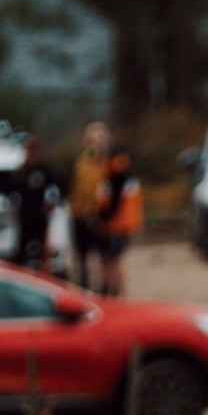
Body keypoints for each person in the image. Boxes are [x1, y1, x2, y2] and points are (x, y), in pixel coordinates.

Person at [89, 134, 143, 296]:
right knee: (112, 261)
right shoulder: (124, 175)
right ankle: (113, 291)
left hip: (114, 227)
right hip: (119, 226)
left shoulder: (116, 177)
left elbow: (113, 205)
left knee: (112, 261)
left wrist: (99, 218)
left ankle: (114, 293)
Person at [67, 123, 108, 289]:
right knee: (81, 257)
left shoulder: (108, 164)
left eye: (99, 139)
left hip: (101, 215)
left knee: (102, 257)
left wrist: (96, 211)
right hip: (80, 215)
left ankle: (104, 291)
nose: (95, 143)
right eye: (92, 139)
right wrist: (81, 210)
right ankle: (84, 289)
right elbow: (79, 188)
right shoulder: (82, 162)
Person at [10, 136, 60, 271]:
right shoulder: (21, 171)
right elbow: (11, 191)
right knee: (21, 253)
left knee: (42, 253)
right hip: (25, 217)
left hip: (40, 217)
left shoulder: (44, 170)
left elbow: (58, 186)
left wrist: (51, 204)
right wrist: (14, 206)